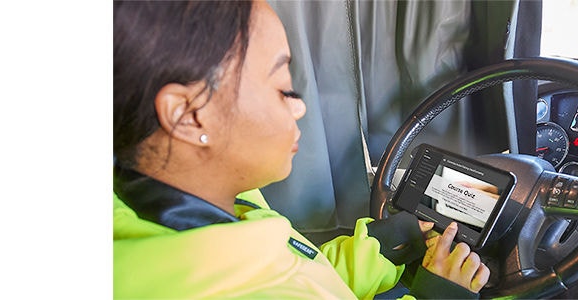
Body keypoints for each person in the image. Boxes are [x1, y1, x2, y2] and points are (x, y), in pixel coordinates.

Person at [112, 1, 489, 298]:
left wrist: (382, 245)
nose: (299, 107)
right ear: (189, 116)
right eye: (283, 89)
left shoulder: (221, 205)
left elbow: (300, 270)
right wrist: (442, 294)